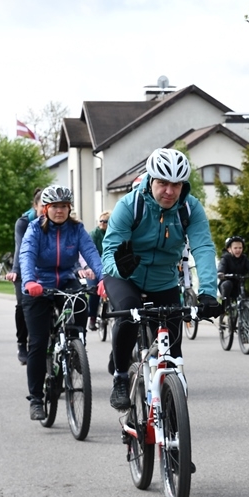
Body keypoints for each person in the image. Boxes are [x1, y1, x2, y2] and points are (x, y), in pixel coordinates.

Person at [101, 147, 221, 411]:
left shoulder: (190, 208)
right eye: (163, 183)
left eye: (176, 184)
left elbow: (203, 248)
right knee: (129, 313)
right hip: (125, 277)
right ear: (150, 180)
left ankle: (171, 419)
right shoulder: (130, 205)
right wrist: (121, 267)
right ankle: (120, 376)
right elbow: (109, 251)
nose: (169, 191)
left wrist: (208, 293)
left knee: (173, 354)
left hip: (163, 281)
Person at [20, 185, 103, 421]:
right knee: (37, 343)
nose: (59, 210)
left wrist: (103, 277)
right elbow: (26, 255)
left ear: (69, 209)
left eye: (64, 206)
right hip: (38, 284)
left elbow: (91, 253)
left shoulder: (76, 229)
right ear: (45, 209)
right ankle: (36, 399)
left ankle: (76, 347)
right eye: (55, 206)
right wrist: (29, 281)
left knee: (81, 302)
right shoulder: (35, 229)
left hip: (66, 279)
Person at [5, 188, 43, 365]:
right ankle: (22, 343)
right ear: (35, 206)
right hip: (23, 268)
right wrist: (16, 270)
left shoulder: (59, 220)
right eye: (43, 205)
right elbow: (21, 248)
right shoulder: (24, 222)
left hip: (47, 269)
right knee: (22, 304)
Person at [217, 235, 249, 310]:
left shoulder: (244, 258)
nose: (238, 250)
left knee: (245, 295)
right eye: (235, 248)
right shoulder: (226, 258)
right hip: (227, 283)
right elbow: (222, 266)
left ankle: (246, 312)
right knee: (227, 284)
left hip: (238, 284)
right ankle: (225, 308)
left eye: (240, 248)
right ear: (229, 249)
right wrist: (220, 273)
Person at [87, 211, 109, 331]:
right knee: (94, 291)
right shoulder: (94, 234)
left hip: (109, 266)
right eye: (100, 221)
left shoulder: (112, 233)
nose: (102, 223)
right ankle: (92, 317)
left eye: (105, 221)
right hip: (94, 267)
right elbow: (91, 253)